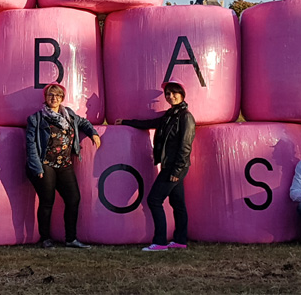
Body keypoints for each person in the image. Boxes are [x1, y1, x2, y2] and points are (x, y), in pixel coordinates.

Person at [117, 79, 194, 252]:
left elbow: (185, 146)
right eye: (168, 93)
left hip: (175, 166)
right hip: (170, 165)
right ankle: (180, 240)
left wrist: (176, 170)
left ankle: (160, 242)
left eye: (174, 92)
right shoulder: (170, 115)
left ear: (182, 94)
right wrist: (126, 122)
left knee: (154, 200)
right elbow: (149, 123)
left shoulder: (185, 117)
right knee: (177, 203)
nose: (171, 96)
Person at [25, 83, 102, 249]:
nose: (54, 98)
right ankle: (45, 238)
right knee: (47, 201)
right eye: (51, 95)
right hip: (46, 164)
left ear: (62, 98)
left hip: (64, 164)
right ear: (45, 98)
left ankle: (71, 239)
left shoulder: (69, 115)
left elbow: (84, 123)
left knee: (73, 199)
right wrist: (37, 167)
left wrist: (93, 133)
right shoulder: (36, 118)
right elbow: (31, 145)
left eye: (58, 95)